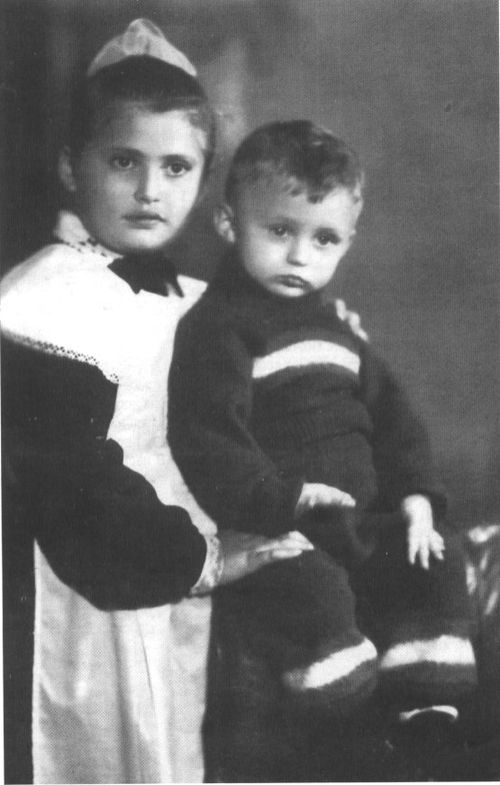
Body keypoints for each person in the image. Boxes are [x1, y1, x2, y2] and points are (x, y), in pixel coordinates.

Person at [0, 22, 319, 784]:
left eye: (176, 167)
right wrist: (202, 558)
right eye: (124, 161)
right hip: (89, 589)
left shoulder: (203, 302)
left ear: (203, 182)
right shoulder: (39, 301)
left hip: (191, 589)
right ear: (71, 167)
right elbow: (71, 481)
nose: (150, 190)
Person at [168, 120, 478, 778]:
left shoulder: (337, 329)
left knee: (434, 558)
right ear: (228, 223)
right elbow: (208, 436)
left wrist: (417, 499)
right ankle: (340, 690)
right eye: (279, 231)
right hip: (286, 526)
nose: (300, 256)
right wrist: (282, 497)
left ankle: (423, 701)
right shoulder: (219, 328)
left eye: (324, 239)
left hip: (362, 519)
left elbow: (394, 418)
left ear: (348, 241)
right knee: (307, 588)